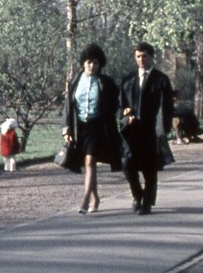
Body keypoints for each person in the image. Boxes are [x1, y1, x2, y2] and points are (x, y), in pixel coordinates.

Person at [62, 43, 122, 214]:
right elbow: (68, 106)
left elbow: (116, 103)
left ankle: (85, 199)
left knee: (90, 161)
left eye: (95, 63)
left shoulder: (105, 82)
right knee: (90, 163)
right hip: (80, 126)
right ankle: (96, 197)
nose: (92, 66)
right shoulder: (75, 81)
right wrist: (66, 129)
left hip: (99, 127)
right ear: (83, 63)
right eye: (89, 62)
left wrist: (122, 114)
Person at [119, 42, 174, 215]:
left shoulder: (161, 80)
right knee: (127, 164)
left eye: (144, 56)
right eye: (138, 56)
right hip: (132, 129)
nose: (141, 60)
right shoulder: (128, 79)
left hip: (151, 130)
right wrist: (124, 112)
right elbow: (120, 104)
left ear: (151, 57)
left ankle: (147, 202)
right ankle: (137, 195)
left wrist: (164, 128)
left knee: (149, 167)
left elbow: (168, 106)